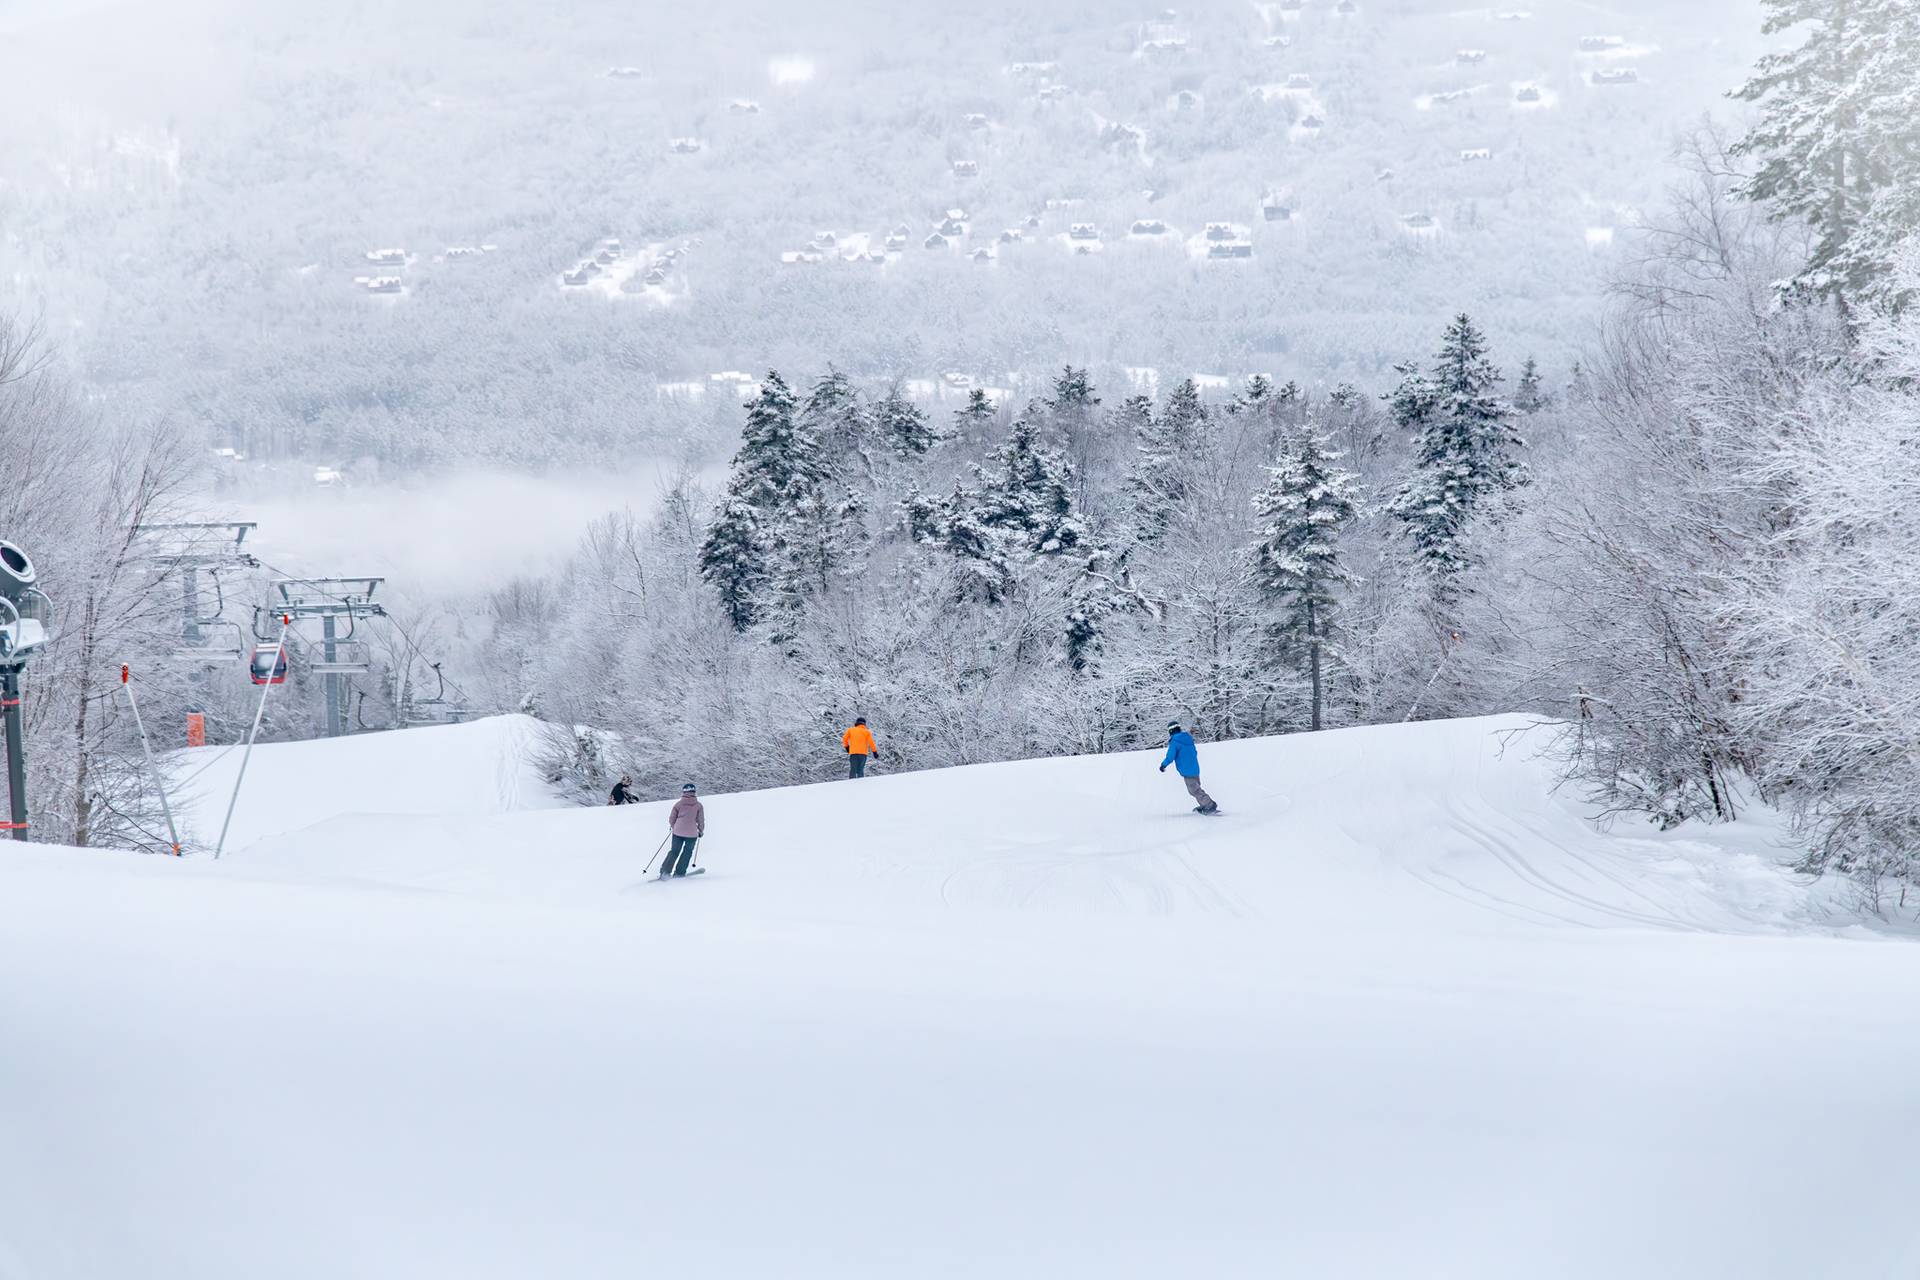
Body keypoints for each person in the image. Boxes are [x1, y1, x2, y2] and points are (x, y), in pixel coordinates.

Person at [1159, 720, 1218, 814]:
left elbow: (1170, 756)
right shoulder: (1188, 738)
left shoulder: (1175, 742)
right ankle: (1205, 804)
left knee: (1194, 790)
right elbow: (1194, 752)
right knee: (1197, 788)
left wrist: (1163, 765)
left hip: (1186, 770)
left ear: (1170, 731)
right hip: (1195, 768)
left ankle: (1209, 805)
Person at [662, 782, 705, 877]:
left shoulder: (678, 804)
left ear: (684, 792)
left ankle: (665, 872)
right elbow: (700, 820)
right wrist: (701, 831)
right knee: (687, 852)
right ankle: (679, 872)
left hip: (678, 832)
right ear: (694, 792)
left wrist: (674, 827)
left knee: (674, 851)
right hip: (692, 833)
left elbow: (672, 818)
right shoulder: (698, 805)